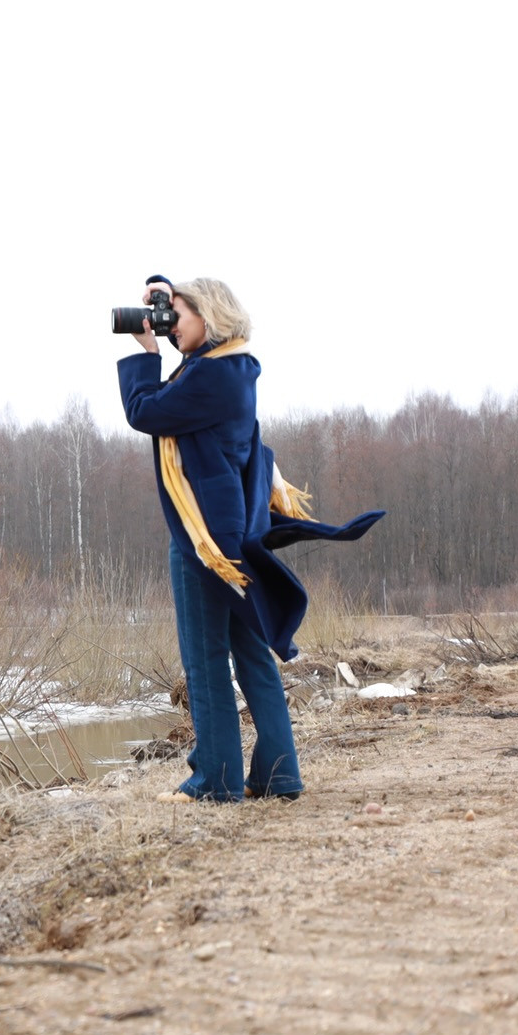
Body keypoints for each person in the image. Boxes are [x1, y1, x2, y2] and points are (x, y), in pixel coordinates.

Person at [117, 275, 382, 802]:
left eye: (180, 318)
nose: (171, 330)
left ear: (211, 320)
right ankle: (278, 774)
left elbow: (145, 410)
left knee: (205, 659)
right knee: (250, 653)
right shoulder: (231, 370)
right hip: (233, 533)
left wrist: (145, 352)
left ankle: (215, 781)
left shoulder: (210, 380)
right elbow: (182, 382)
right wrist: (168, 294)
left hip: (206, 543)